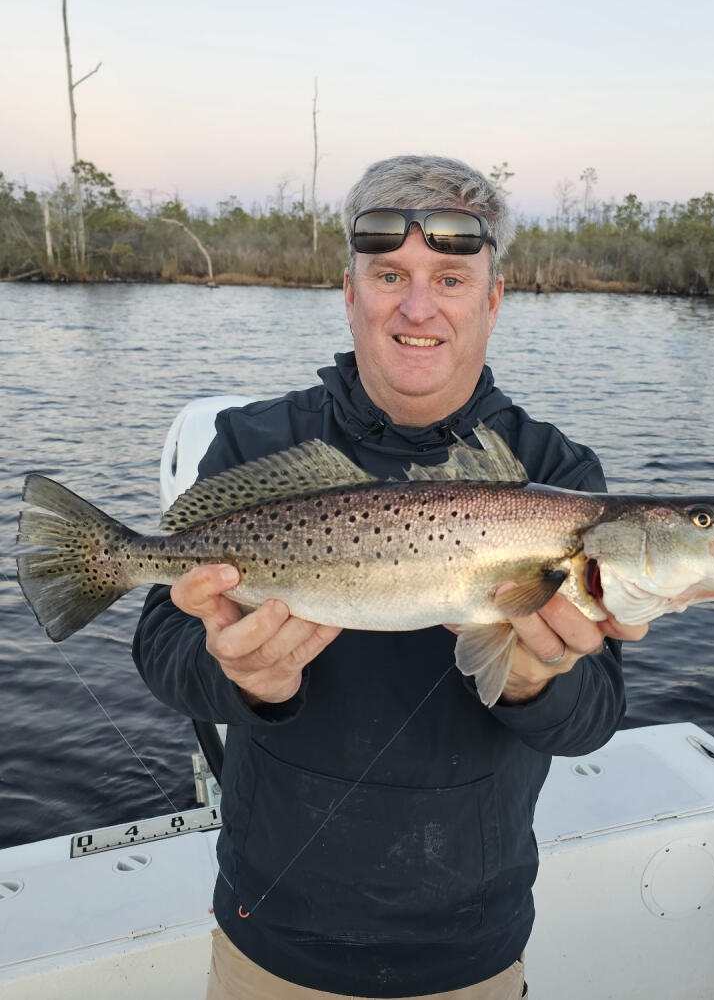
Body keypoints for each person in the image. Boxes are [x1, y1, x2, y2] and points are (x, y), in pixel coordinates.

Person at [133, 155, 647, 1000]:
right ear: (349, 294)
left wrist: (534, 682)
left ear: (493, 299)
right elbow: (163, 649)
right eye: (389, 276)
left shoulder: (558, 479)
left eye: (451, 278)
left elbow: (593, 718)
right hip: (272, 941)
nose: (418, 307)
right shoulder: (255, 443)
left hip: (470, 950)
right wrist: (244, 678)